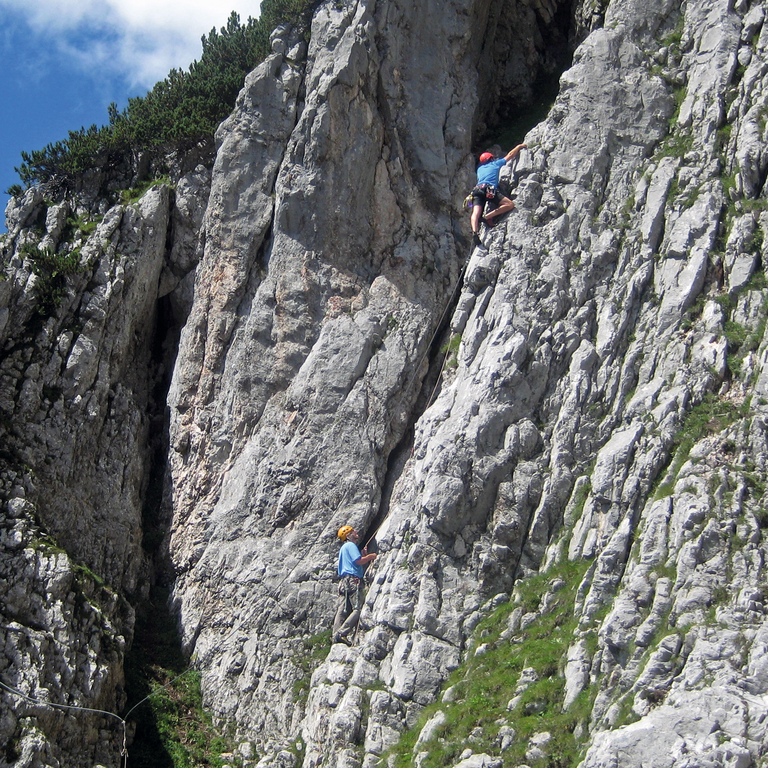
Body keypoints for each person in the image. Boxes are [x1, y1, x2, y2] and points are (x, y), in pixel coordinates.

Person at [470, 144, 528, 240]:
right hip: (488, 188)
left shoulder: (479, 169)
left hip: (477, 190)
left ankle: (474, 233)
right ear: (491, 159)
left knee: (475, 213)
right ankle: (487, 217)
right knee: (510, 204)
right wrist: (519, 146)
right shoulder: (495, 164)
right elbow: (510, 155)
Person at [332, 525, 377, 645]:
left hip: (344, 581)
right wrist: (370, 557)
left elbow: (354, 562)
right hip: (353, 580)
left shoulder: (343, 548)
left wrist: (362, 555)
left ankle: (335, 634)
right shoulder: (351, 545)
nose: (356, 532)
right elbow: (358, 561)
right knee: (358, 609)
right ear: (348, 535)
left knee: (342, 609)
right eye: (353, 531)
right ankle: (341, 633)